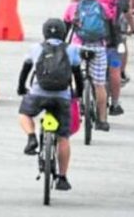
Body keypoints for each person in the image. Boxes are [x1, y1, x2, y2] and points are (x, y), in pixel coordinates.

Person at [18, 18, 84, 191]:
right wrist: (78, 94)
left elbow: (25, 70)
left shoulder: (36, 48)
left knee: (24, 114)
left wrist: (21, 88)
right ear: (64, 33)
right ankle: (62, 178)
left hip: (38, 94)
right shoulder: (71, 50)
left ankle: (31, 137)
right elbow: (78, 76)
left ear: (44, 32)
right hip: (62, 96)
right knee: (63, 137)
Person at [63, 0, 114, 131]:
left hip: (77, 48)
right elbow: (110, 28)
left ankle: (73, 111)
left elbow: (64, 30)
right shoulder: (103, 7)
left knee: (70, 79)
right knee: (99, 84)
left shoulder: (72, 8)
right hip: (98, 48)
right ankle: (102, 120)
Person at [91, 0, 129, 115]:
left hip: (92, 41)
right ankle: (115, 104)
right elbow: (128, 17)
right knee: (115, 70)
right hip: (113, 41)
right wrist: (133, 28)